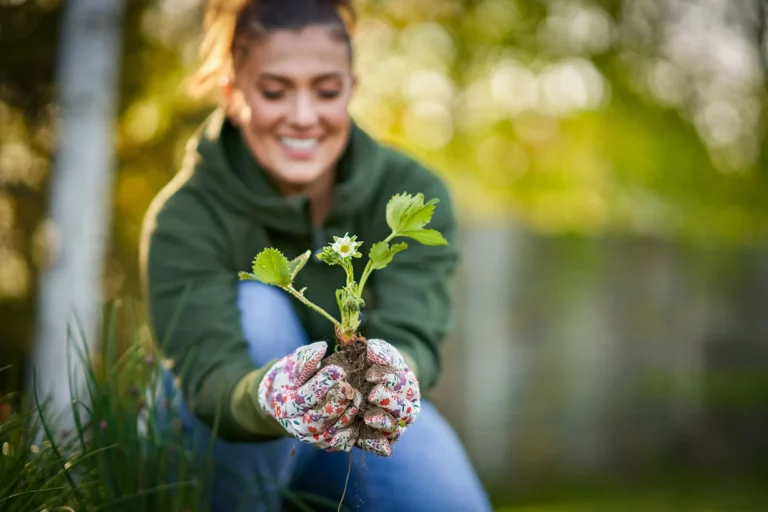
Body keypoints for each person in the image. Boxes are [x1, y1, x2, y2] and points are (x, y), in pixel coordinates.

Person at [139, 0, 491, 510]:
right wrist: (271, 397)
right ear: (232, 93)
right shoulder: (185, 215)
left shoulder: (409, 190)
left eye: (326, 91)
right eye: (275, 91)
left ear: (352, 87)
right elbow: (210, 379)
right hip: (224, 435)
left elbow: (416, 335)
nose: (303, 118)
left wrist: (393, 370)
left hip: (356, 423)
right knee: (259, 307)